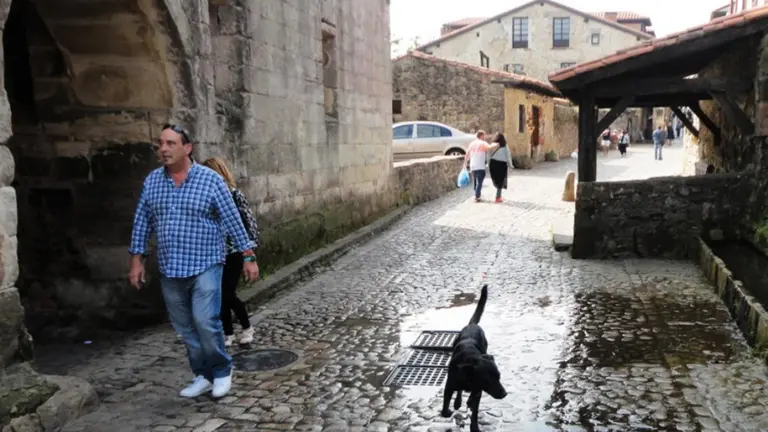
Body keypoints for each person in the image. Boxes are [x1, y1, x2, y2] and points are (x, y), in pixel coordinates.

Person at [128, 124, 260, 399]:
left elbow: (233, 220)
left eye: (170, 143)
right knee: (185, 328)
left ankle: (222, 371)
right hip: (170, 267)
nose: (163, 149)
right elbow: (142, 222)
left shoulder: (210, 181)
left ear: (187, 148)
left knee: (205, 320)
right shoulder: (152, 181)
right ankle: (202, 374)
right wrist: (136, 261)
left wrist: (248, 256)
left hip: (206, 264)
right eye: (160, 144)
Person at [202, 158, 260, 347]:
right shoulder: (206, 198)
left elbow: (249, 224)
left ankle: (247, 327)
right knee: (218, 295)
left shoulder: (234, 195)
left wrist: (249, 255)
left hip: (235, 252)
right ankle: (228, 333)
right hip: (215, 253)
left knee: (228, 294)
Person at [464, 130, 499, 202]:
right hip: (480, 166)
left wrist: (464, 164)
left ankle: (477, 194)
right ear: (481, 136)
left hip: (472, 166)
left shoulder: (471, 144)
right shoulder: (482, 143)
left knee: (476, 181)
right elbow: (489, 147)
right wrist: (497, 144)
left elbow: (467, 154)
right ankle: (477, 196)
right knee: (479, 182)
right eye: (484, 135)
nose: (485, 137)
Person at [488, 133, 510, 203]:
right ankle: (498, 197)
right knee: (500, 181)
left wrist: (488, 163)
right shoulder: (505, 146)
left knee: (495, 179)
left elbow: (488, 155)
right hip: (502, 164)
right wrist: (510, 165)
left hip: (493, 163)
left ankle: (498, 196)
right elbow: (508, 155)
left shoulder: (492, 145)